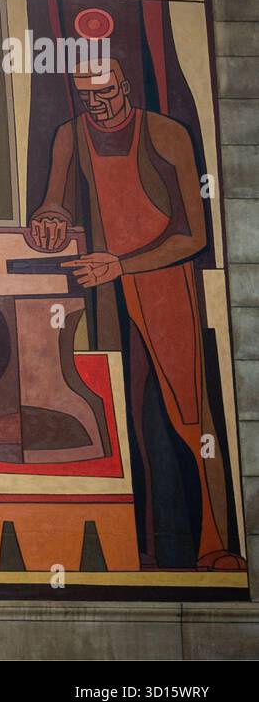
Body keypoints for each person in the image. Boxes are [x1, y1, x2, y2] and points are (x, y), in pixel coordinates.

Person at [28, 56, 241, 570]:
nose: (99, 106)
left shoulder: (166, 135)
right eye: (87, 98)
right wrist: (49, 219)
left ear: (125, 85)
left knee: (189, 417)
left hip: (164, 286)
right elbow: (54, 203)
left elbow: (194, 234)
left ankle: (215, 545)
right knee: (120, 417)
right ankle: (142, 547)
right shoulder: (69, 136)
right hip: (102, 295)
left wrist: (121, 265)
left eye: (108, 94)